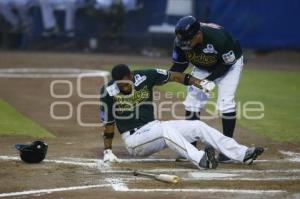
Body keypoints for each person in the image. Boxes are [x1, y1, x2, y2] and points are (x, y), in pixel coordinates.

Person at [99, 64, 264, 170]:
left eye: (125, 83)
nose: (123, 87)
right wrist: (107, 151)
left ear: (131, 75)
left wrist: (200, 83)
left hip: (153, 129)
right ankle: (201, 159)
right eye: (120, 84)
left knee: (197, 126)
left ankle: (242, 154)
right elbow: (108, 123)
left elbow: (176, 76)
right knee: (165, 128)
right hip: (134, 140)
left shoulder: (145, 76)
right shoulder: (108, 91)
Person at [170, 16, 244, 163]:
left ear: (198, 34)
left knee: (225, 102)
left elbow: (226, 64)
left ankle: (228, 151)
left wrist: (206, 81)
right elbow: (179, 66)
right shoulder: (181, 41)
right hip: (203, 66)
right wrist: (164, 75)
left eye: (187, 41)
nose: (184, 44)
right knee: (192, 103)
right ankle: (190, 149)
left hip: (228, 65)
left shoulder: (219, 38)